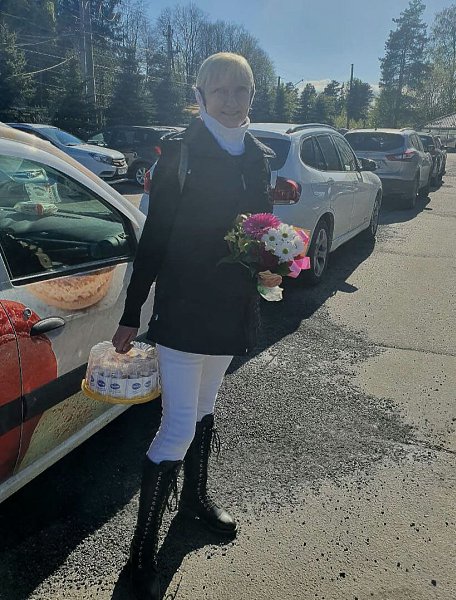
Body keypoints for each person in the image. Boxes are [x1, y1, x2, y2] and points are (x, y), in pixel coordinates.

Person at [112, 52, 282, 600]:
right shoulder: (181, 153)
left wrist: (276, 258)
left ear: (252, 95)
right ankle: (140, 554)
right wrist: (131, 313)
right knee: (178, 424)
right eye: (221, 90)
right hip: (185, 308)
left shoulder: (256, 155)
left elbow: (261, 227)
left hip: (233, 307)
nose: (232, 100)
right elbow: (155, 237)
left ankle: (194, 502)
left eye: (242, 90)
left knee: (206, 407)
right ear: (201, 95)